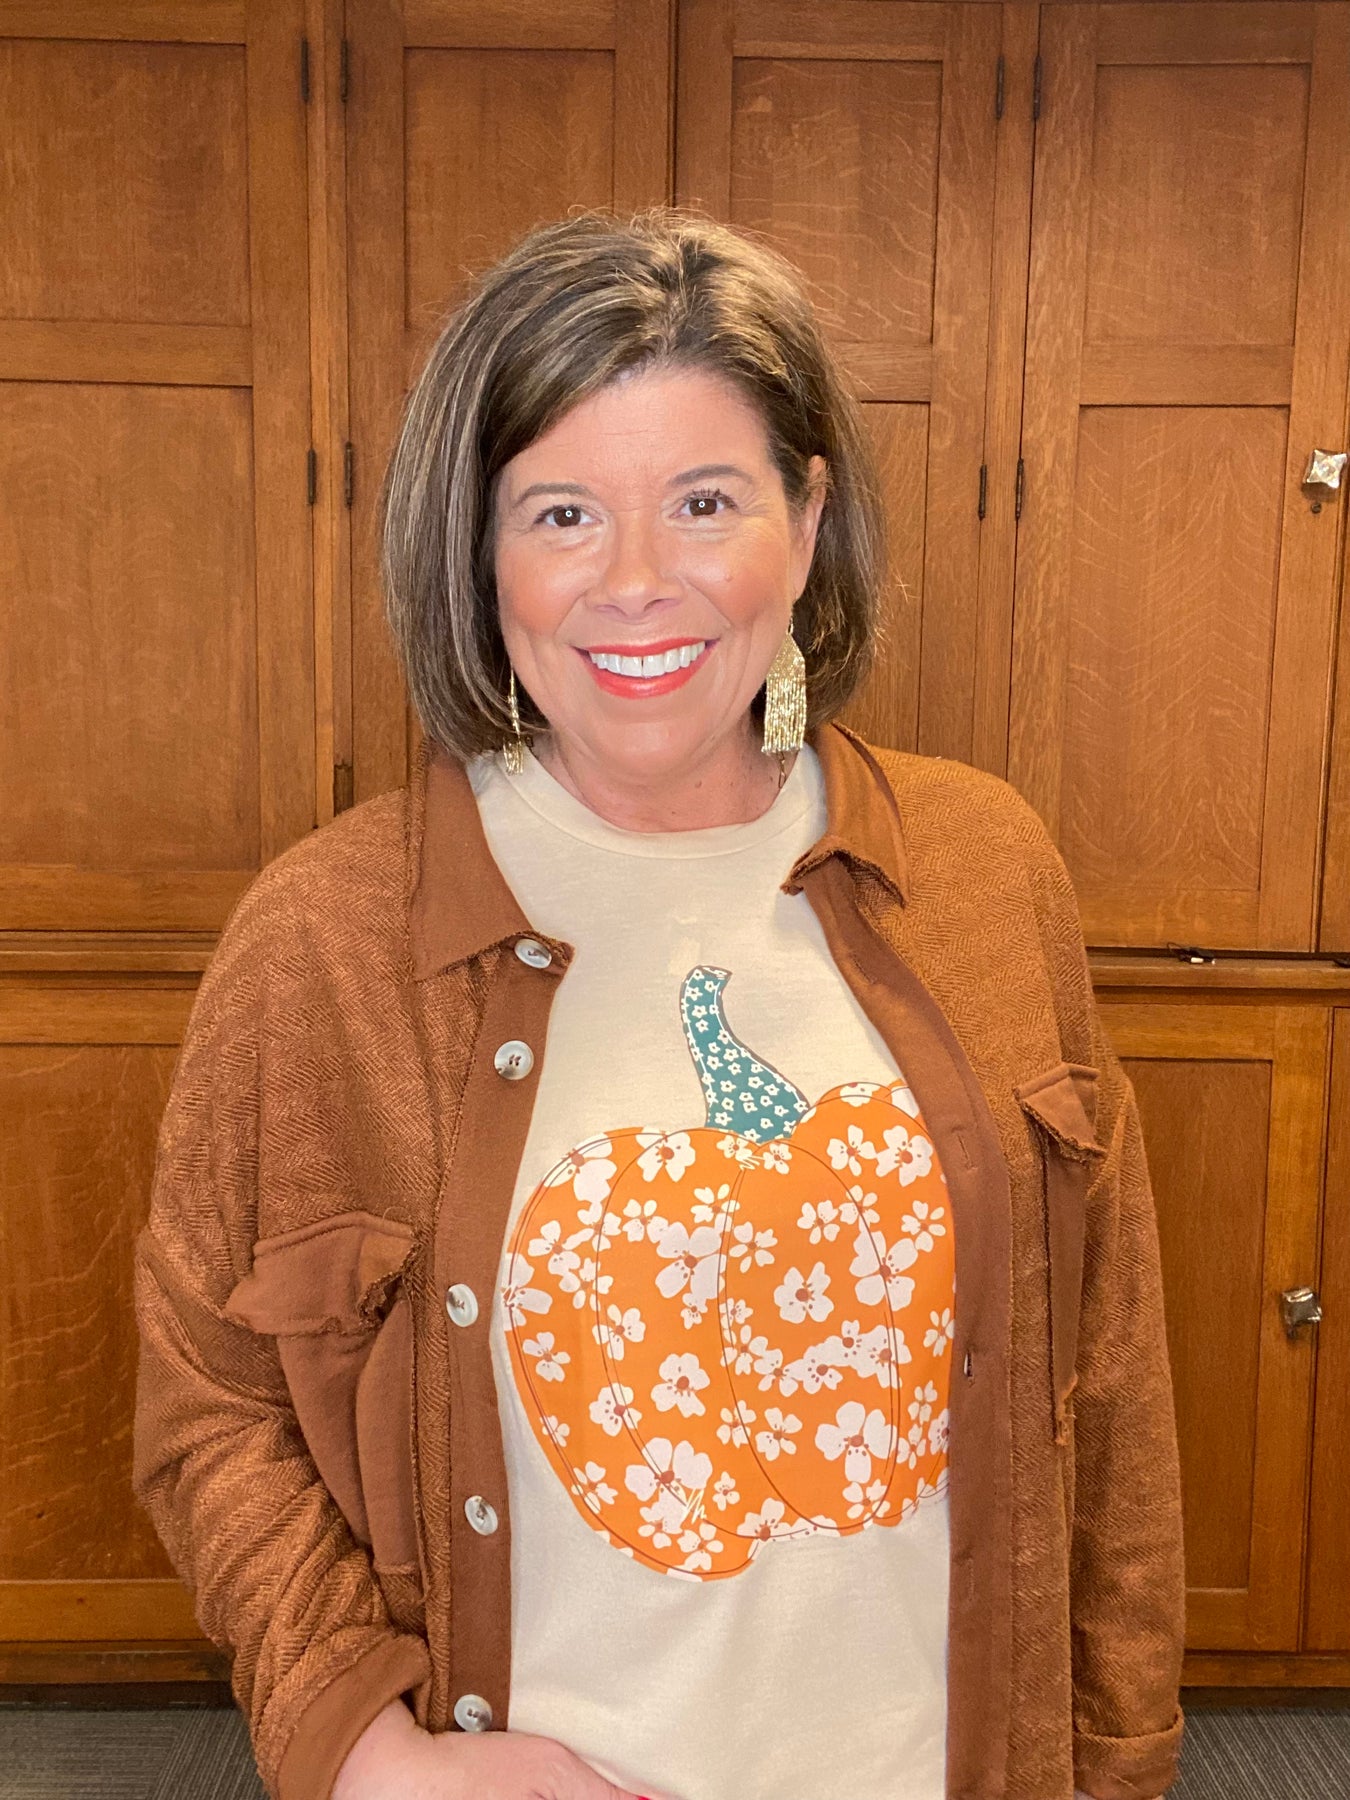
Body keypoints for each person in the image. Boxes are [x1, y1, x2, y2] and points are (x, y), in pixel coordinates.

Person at [133, 209, 1185, 1800]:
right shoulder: (323, 941)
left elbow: (1107, 1382)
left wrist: (1118, 1758)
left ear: (805, 523)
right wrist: (367, 1751)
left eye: (704, 502)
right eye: (560, 513)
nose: (636, 584)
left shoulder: (985, 870)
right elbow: (209, 1402)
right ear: (478, 552)